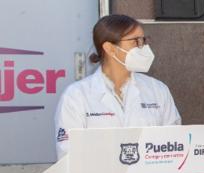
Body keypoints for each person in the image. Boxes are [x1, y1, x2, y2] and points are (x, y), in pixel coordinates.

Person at [55, 14, 179, 156]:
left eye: (143, 41)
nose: (143, 47)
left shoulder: (158, 90)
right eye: (135, 41)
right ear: (110, 48)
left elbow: (174, 145)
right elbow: (68, 155)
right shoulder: (76, 96)